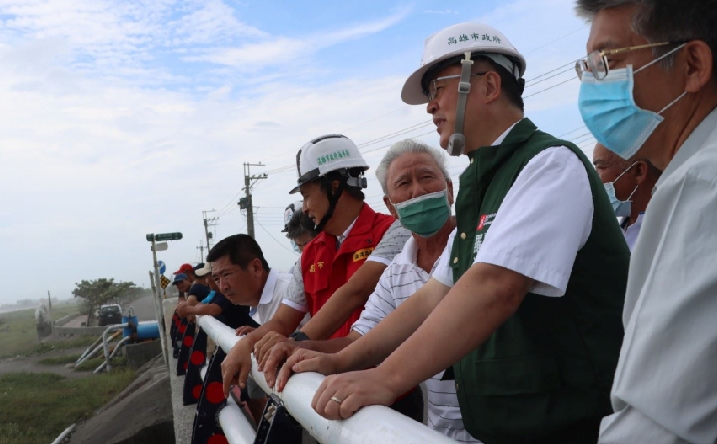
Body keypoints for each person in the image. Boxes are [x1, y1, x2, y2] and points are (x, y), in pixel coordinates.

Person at [311, 22, 629, 444]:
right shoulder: (480, 188)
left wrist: (385, 379)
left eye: (436, 89)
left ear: (489, 85)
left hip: (571, 427)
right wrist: (341, 362)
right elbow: (434, 295)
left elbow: (495, 286)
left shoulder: (549, 164)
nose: (430, 107)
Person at [573, 0, 717, 444]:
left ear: (692, 65)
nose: (590, 84)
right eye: (587, 68)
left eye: (606, 62)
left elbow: (657, 424)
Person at [277, 139, 477, 442]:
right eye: (403, 183)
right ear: (390, 205)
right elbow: (362, 340)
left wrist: (314, 348)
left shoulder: (481, 246)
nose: (417, 191)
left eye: (426, 178)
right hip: (441, 432)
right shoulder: (396, 271)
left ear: (449, 189)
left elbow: (355, 294)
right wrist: (307, 352)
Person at [219, 134, 411, 399]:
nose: (306, 208)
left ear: (334, 187)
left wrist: (295, 343)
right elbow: (283, 320)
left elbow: (355, 291)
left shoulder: (393, 232)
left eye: (307, 195)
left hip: (383, 388)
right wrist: (248, 344)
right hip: (326, 391)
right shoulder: (309, 255)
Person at [207, 233, 293, 420]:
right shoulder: (259, 302)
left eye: (227, 274)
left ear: (255, 267)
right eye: (217, 278)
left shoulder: (289, 291)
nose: (222, 287)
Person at [592, 143, 660, 251]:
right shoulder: (613, 236)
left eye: (601, 167)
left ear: (638, 171)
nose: (593, 179)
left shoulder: (670, 229)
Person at [176, 263, 257, 330]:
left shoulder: (227, 292)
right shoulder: (218, 293)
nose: (206, 280)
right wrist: (193, 310)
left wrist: (190, 310)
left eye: (207, 277)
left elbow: (214, 309)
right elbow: (207, 306)